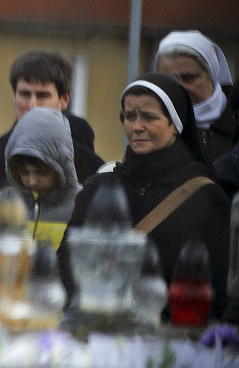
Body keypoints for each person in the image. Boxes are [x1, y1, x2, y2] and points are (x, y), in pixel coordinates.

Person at [60, 73, 230, 321]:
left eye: (149, 117)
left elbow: (215, 286)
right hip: (95, 331)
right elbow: (67, 260)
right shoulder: (99, 187)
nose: (136, 127)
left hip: (169, 339)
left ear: (175, 124)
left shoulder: (204, 196)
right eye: (130, 117)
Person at [0, 51, 104, 190]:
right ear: (14, 97)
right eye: (25, 94)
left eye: (42, 95)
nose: (32, 105)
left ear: (65, 99)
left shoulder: (94, 173)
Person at [3, 106, 80, 250]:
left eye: (42, 173)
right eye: (24, 172)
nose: (32, 181)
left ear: (62, 166)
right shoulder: (5, 204)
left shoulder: (82, 204)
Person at [155, 30, 237, 163]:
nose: (181, 88)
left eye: (189, 78)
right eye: (171, 80)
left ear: (211, 74)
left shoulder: (235, 122)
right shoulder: (152, 129)